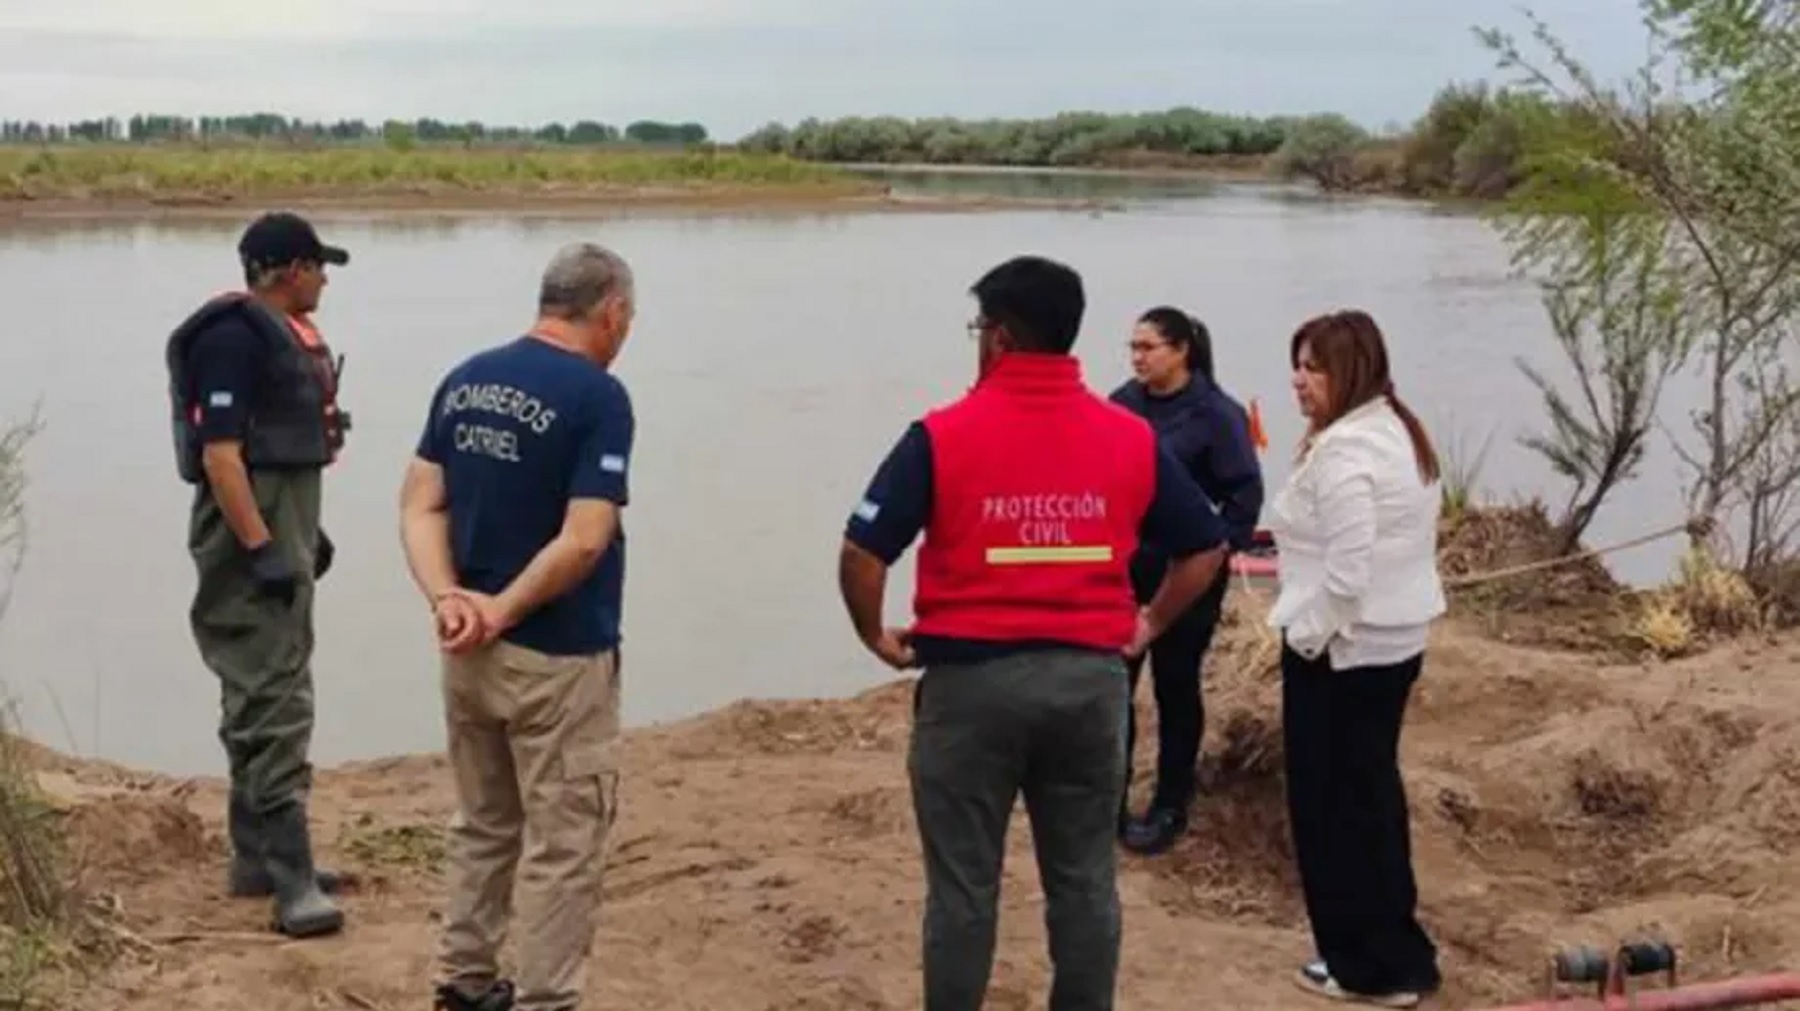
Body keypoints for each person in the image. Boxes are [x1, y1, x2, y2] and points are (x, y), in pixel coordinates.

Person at [837, 254, 1229, 1011]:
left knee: (962, 890)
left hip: (971, 690)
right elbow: (1206, 544)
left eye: (979, 326)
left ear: (1001, 337)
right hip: (1089, 686)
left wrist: (874, 637)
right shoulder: (1127, 435)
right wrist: (1146, 623)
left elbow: (861, 551)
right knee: (1084, 879)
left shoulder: (942, 433)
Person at [400, 241, 636, 1011]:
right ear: (612, 312)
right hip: (557, 657)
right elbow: (585, 536)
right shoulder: (598, 397)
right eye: (627, 319)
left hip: (468, 648)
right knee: (564, 844)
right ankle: (544, 998)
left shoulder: (466, 379)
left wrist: (449, 599)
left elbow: (418, 503)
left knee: (483, 823)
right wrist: (499, 608)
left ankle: (463, 984)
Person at [163, 210, 354, 939]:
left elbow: (274, 459)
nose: (325, 279)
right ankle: (292, 882)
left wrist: (306, 533)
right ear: (289, 269)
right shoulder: (232, 338)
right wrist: (262, 545)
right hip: (249, 538)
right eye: (317, 265)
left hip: (278, 523)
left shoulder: (264, 336)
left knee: (264, 682)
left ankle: (257, 857)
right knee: (274, 693)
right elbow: (221, 457)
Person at [1267, 309, 1445, 1008]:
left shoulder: (1346, 453)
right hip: (1392, 643)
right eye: (1298, 364)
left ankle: (1365, 963)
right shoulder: (1395, 427)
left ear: (1352, 370)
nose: (1299, 380)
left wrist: (1305, 637)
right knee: (1370, 797)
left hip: (1342, 651)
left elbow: (1347, 575)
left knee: (1330, 806)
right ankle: (1395, 950)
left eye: (1313, 366)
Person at [1108, 306, 1263, 855]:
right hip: (1127, 566)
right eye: (1133, 348)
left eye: (1148, 347)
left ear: (1181, 352)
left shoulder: (1217, 415)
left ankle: (1171, 802)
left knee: (1175, 682)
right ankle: (1111, 797)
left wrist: (1219, 549)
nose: (1137, 358)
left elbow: (1245, 495)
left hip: (1189, 570)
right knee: (1113, 681)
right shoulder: (1122, 405)